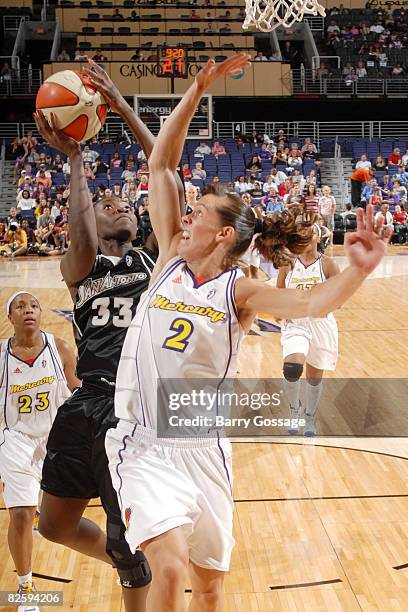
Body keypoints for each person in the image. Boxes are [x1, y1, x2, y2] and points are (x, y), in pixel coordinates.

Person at [99, 54, 391, 611]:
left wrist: (357, 269)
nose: (186, 214)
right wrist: (197, 88)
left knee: (209, 587)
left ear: (223, 233)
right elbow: (162, 166)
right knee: (168, 568)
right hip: (144, 446)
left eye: (199, 211)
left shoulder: (240, 292)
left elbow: (311, 301)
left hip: (206, 448)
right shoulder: (166, 260)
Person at [35, 58, 185, 611]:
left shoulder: (158, 260)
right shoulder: (83, 268)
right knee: (53, 525)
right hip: (85, 403)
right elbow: (77, 234)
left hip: (135, 407)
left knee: (128, 538)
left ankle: (131, 564)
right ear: (90, 221)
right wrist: (75, 160)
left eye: (124, 201)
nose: (117, 202)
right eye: (105, 204)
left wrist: (121, 107)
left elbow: (165, 170)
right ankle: (129, 559)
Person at [0, 292, 78, 606]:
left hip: (55, 440)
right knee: (19, 514)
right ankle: (25, 585)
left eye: (33, 306)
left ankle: (120, 557)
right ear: (10, 318)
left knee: (60, 517)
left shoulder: (59, 348)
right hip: (16, 440)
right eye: (21, 306)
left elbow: (77, 387)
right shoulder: (2, 358)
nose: (28, 310)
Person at [277, 224, 340, 435]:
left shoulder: (328, 265)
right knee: (292, 368)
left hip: (321, 324)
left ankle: (310, 416)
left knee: (314, 377)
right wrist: (279, 309)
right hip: (296, 322)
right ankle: (294, 409)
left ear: (317, 237)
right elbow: (279, 292)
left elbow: (340, 299)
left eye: (309, 232)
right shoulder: (288, 264)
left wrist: (324, 305)